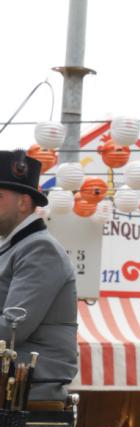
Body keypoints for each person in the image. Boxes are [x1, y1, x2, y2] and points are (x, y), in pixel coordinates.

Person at [0, 149, 78, 407]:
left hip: (27, 391)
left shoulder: (39, 249)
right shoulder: (16, 247)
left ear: (23, 203)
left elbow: (12, 328)